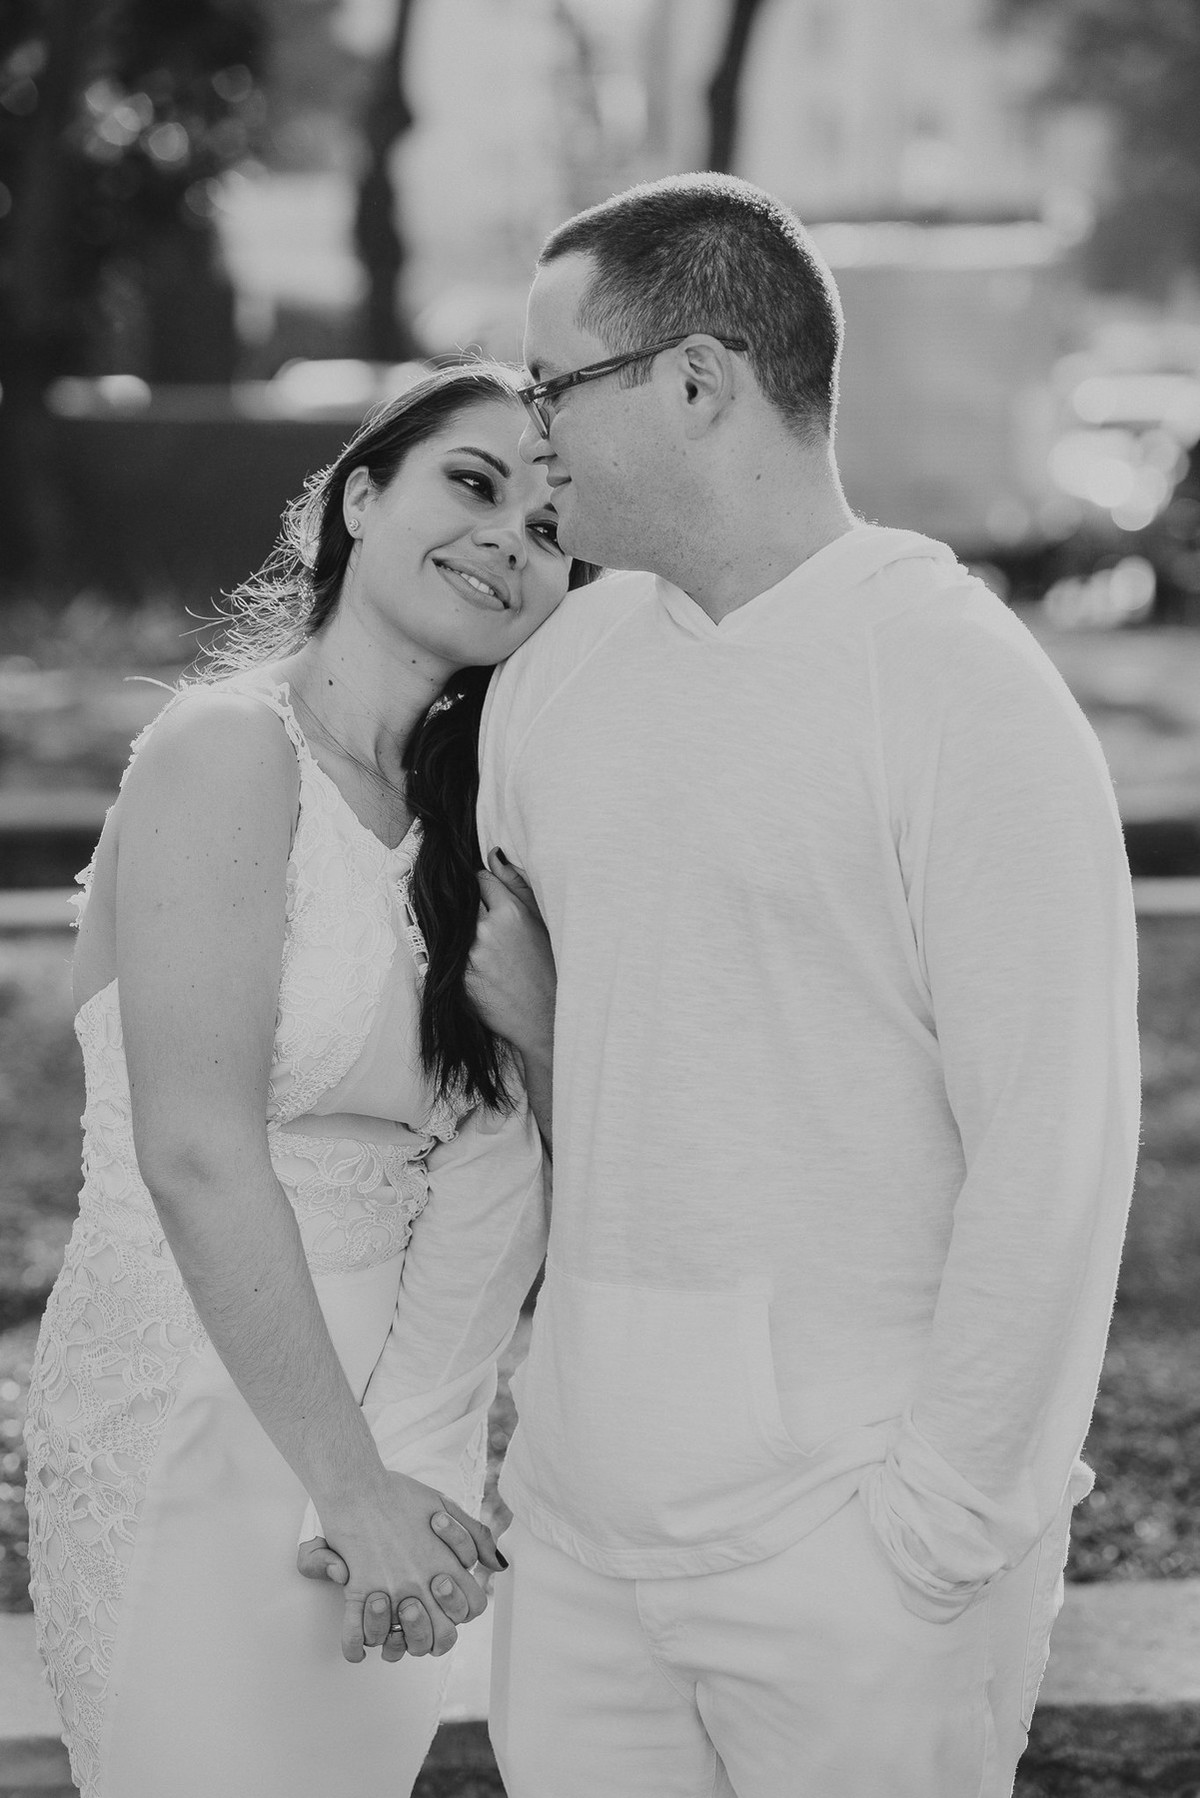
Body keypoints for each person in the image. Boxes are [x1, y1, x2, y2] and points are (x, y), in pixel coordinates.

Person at [466, 174, 1140, 1797]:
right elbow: (588, 1069)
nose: (533, 433)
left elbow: (1057, 1144)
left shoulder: (958, 689)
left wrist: (939, 1533)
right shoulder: (553, 684)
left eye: (556, 387)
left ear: (699, 382)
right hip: (579, 1547)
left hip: (859, 1553)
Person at [22, 363, 590, 1798]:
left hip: (411, 1454)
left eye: (548, 520)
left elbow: (540, 1172)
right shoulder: (225, 754)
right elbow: (197, 1152)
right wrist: (350, 1490)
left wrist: (413, 1475)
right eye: (473, 481)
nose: (506, 536)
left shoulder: (495, 835)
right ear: (361, 495)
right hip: (204, 1422)